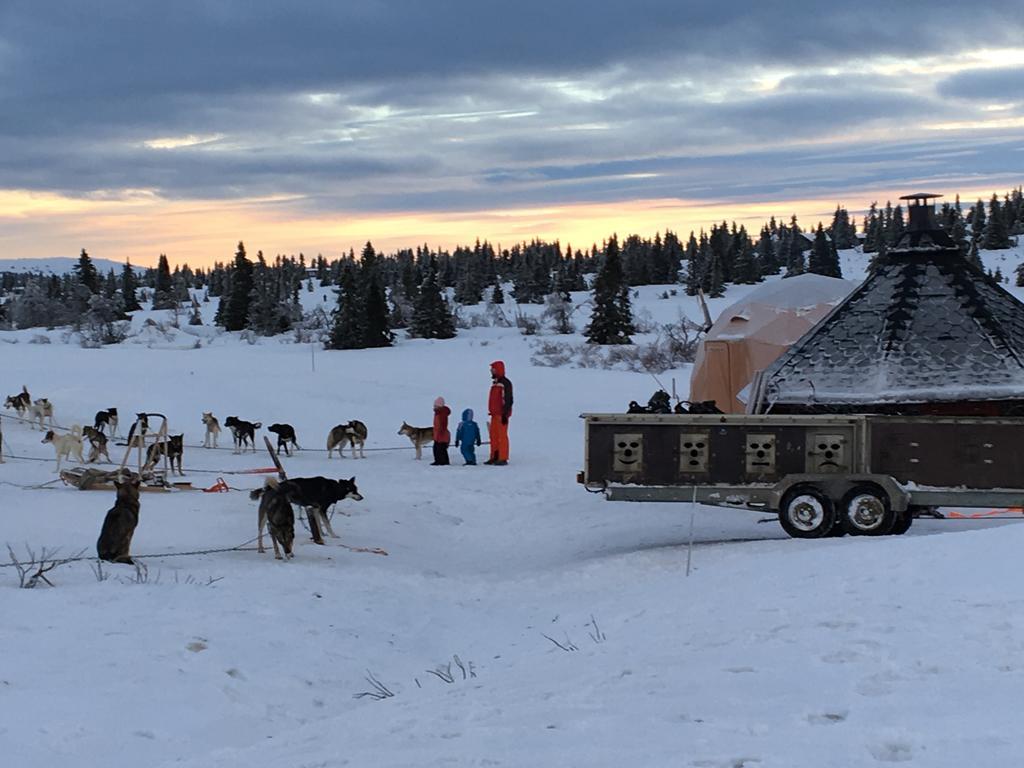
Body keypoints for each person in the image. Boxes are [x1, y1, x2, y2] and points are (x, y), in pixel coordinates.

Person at [486, 360, 513, 465]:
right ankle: (494, 456)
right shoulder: (496, 383)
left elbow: (508, 399)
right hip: (494, 414)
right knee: (493, 436)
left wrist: (505, 414)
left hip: (501, 414)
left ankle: (503, 457)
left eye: (493, 369)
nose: (491, 371)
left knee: (502, 436)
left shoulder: (505, 383)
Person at [431, 396, 451, 466]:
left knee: (439, 449)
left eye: (435, 406)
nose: (434, 407)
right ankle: (441, 461)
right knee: (439, 449)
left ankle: (441, 461)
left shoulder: (441, 413)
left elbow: (442, 424)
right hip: (438, 434)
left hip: (441, 434)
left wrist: (440, 433)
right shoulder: (438, 413)